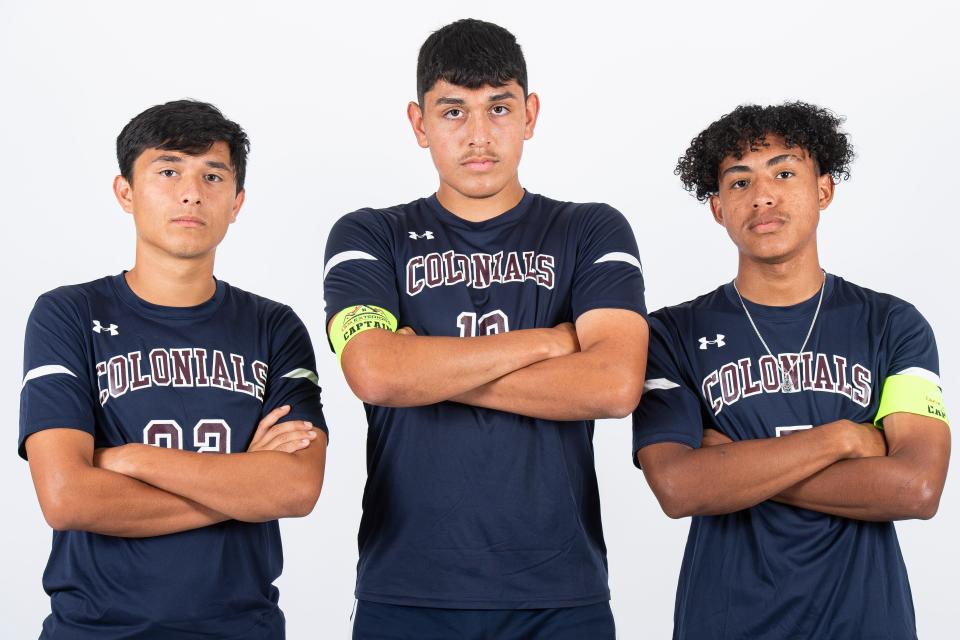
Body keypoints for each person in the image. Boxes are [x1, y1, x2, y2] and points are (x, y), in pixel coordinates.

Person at [323, 18, 648, 640]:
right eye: (453, 111)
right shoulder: (368, 236)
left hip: (560, 590)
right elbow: (374, 371)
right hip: (408, 588)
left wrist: (426, 372)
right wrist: (550, 342)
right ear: (419, 124)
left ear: (529, 113)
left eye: (498, 108)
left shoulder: (591, 230)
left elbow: (613, 385)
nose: (478, 136)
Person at [632, 101, 950, 639]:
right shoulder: (669, 333)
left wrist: (733, 466)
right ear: (716, 208)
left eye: (784, 172)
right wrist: (843, 439)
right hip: (725, 623)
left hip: (865, 624)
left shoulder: (894, 324)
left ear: (823, 190)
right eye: (738, 183)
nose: (763, 196)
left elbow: (917, 488)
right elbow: (679, 487)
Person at [19, 99, 328, 639]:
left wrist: (133, 459)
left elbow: (296, 488)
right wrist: (240, 488)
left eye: (213, 175)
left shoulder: (275, 327)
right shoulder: (67, 314)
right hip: (93, 630)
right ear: (125, 192)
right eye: (168, 171)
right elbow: (66, 496)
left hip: (240, 628)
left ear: (236, 202)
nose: (191, 192)